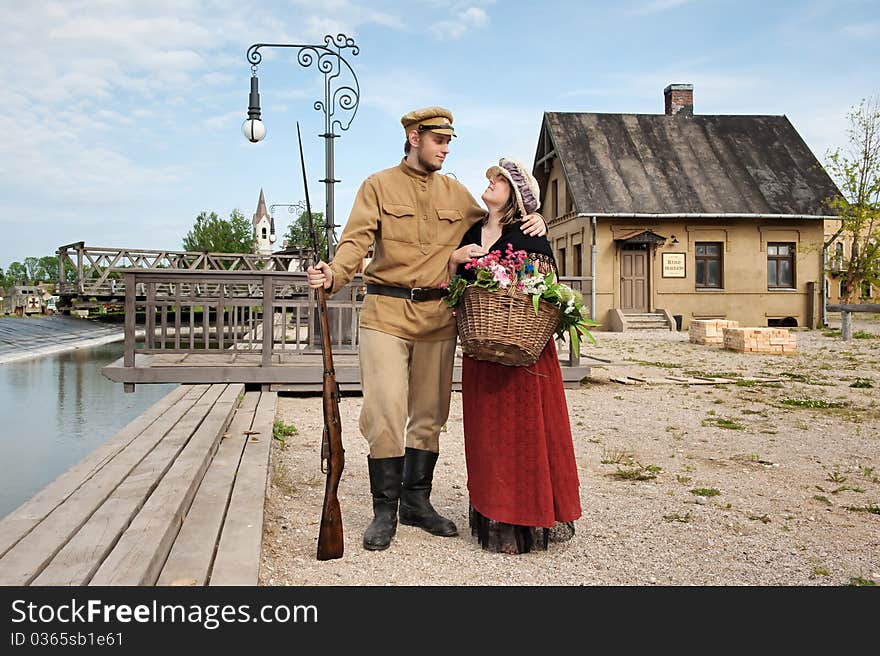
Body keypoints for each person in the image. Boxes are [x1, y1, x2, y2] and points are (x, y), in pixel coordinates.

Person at [307, 108, 547, 551]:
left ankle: (417, 502)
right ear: (415, 137)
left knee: (431, 414)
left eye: (449, 141)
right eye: (440, 140)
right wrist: (334, 275)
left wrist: (536, 219)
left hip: (438, 318)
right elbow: (355, 242)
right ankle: (385, 509)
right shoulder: (377, 185)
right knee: (384, 411)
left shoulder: (456, 193)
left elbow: (498, 217)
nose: (447, 148)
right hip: (385, 313)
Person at [448, 158, 582, 554]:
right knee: (487, 434)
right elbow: (457, 288)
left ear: (517, 195)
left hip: (523, 352)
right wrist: (457, 259)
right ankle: (492, 506)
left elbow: (546, 289)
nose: (488, 183)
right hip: (481, 347)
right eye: (489, 178)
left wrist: (541, 219)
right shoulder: (473, 229)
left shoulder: (528, 232)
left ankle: (522, 516)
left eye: (498, 180)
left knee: (521, 434)